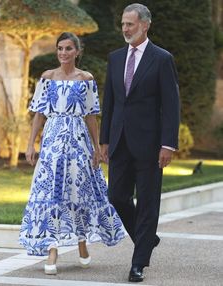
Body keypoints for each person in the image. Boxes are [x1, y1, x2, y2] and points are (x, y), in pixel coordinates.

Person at [19, 32, 125, 275]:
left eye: (68, 49)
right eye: (60, 48)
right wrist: (30, 144)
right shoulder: (47, 78)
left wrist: (97, 149)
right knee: (51, 193)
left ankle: (81, 243)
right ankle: (52, 250)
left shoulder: (86, 79)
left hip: (78, 143)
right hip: (52, 144)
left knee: (78, 192)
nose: (63, 53)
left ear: (77, 51)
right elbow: (38, 115)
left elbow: (91, 117)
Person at [100, 3, 180, 283]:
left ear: (145, 25)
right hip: (119, 140)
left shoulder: (161, 59)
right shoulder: (115, 58)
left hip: (150, 144)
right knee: (117, 196)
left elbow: (171, 105)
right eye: (123, 24)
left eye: (130, 24)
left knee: (147, 203)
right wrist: (105, 139)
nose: (125, 29)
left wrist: (168, 144)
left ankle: (138, 263)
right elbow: (109, 101)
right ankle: (147, 240)